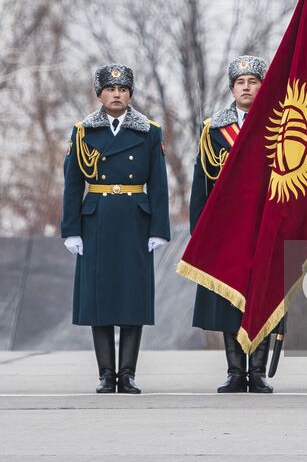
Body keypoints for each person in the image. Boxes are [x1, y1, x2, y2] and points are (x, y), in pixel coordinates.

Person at [61, 64, 170, 394]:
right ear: (99, 94)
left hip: (135, 219)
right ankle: (106, 374)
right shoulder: (83, 132)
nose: (117, 94)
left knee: (132, 298)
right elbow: (72, 183)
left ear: (130, 94)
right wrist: (71, 229)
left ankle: (128, 372)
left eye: (123, 89)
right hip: (97, 219)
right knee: (100, 298)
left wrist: (158, 228)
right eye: (110, 89)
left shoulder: (149, 132)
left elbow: (160, 184)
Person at [189, 55, 277, 393]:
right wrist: (201, 229)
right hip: (226, 226)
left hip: (262, 223)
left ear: (261, 87)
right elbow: (202, 182)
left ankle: (258, 372)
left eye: (253, 82)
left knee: (262, 297)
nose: (246, 87)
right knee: (229, 297)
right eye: (240, 83)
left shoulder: (278, 124)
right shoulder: (214, 128)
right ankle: (235, 370)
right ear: (232, 89)